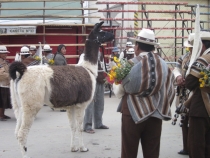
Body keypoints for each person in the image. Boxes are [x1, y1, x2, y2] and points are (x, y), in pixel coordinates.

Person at [114, 28, 175, 158]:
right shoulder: (163, 65)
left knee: (128, 152)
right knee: (152, 152)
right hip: (156, 114)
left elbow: (119, 90)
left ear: (137, 46)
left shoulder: (129, 65)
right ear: (152, 47)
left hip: (132, 114)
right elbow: (170, 89)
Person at [185, 31, 210, 158]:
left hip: (201, 108)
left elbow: (189, 82)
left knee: (197, 145)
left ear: (202, 46)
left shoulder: (203, 60)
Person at [172, 33, 195, 156]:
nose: (190, 49)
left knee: (194, 121)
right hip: (184, 94)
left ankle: (193, 147)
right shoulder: (184, 57)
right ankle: (186, 147)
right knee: (184, 119)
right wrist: (178, 76)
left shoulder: (202, 58)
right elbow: (176, 68)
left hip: (195, 94)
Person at [78, 51, 109, 133]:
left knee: (100, 102)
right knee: (90, 104)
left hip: (100, 81)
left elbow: (102, 67)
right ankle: (87, 125)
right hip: (91, 81)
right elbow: (79, 66)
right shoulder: (85, 55)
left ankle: (98, 123)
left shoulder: (100, 53)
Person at [0, 46, 11, 121]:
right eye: (3, 53)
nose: (5, 54)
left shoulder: (4, 61)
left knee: (4, 100)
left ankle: (2, 114)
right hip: (1, 84)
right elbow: (1, 74)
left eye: (6, 53)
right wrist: (10, 76)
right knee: (1, 100)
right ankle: (1, 115)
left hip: (4, 84)